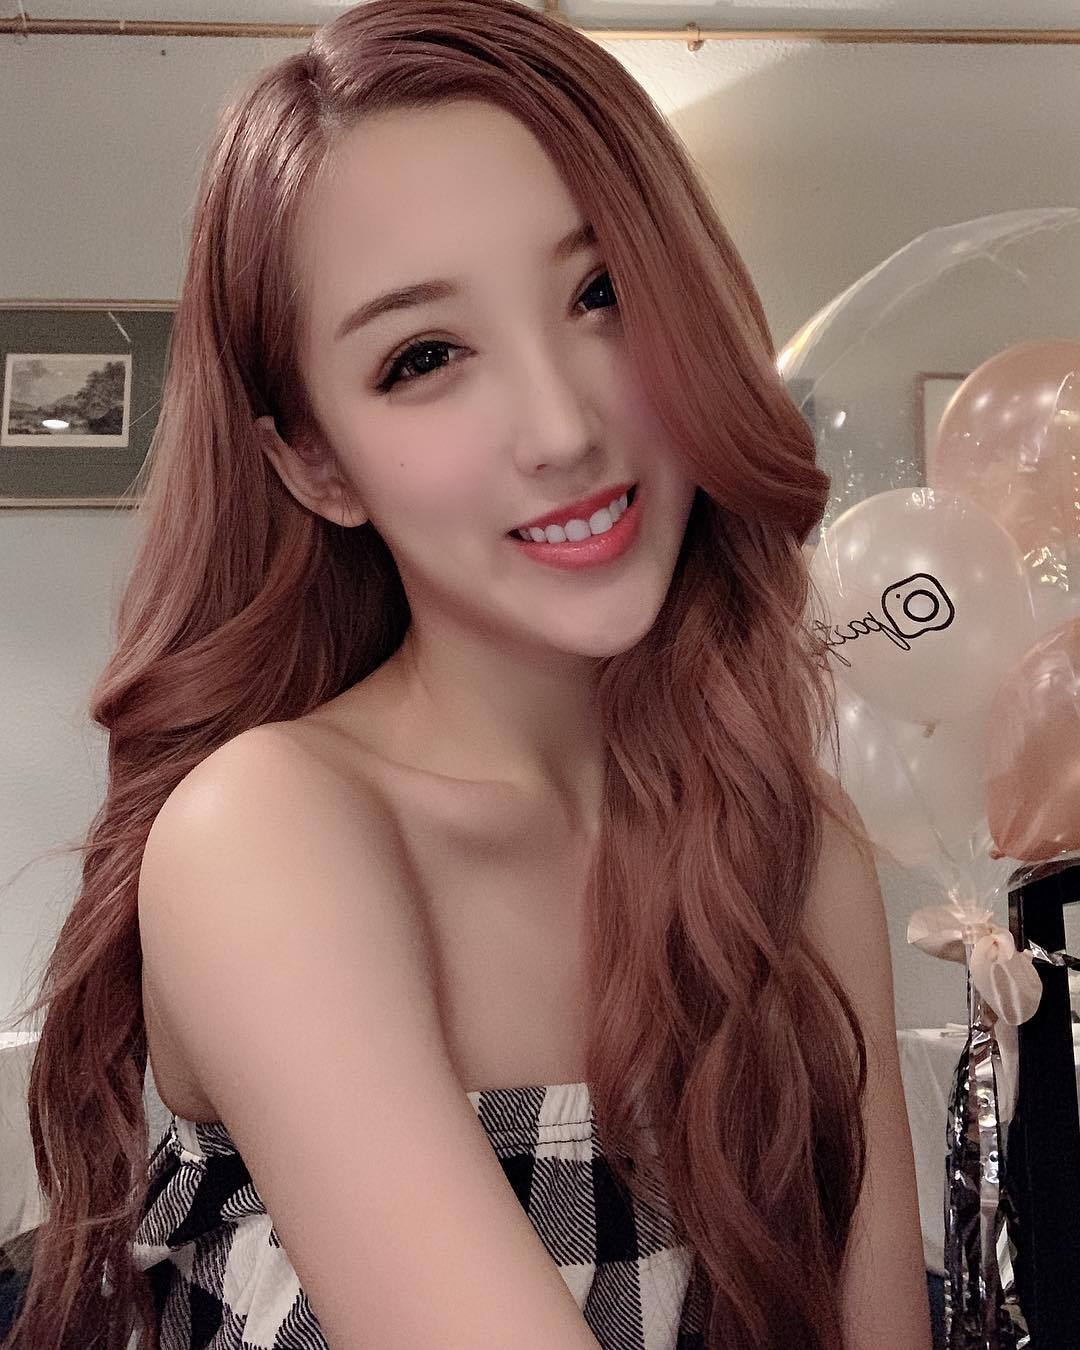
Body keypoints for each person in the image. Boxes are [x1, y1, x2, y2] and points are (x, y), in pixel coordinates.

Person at [1, 0, 932, 1346]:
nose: (560, 428)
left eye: (603, 292)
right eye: (424, 357)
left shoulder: (795, 850)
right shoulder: (270, 828)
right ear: (314, 462)